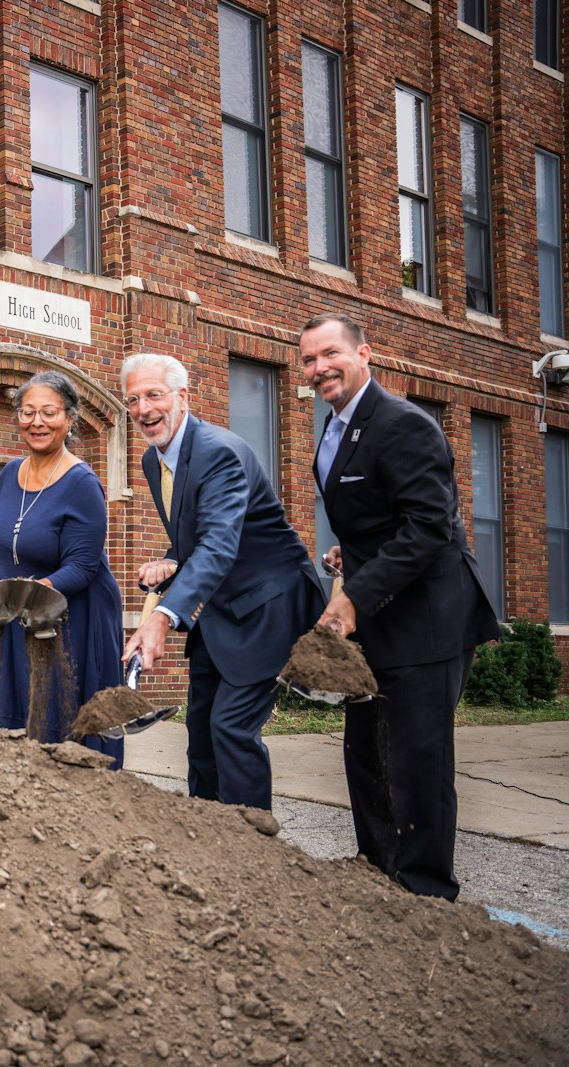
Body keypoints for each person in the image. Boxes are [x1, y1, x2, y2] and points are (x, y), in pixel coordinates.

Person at [300, 313, 499, 900]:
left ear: (366, 354)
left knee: (416, 763)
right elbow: (386, 519)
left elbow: (430, 527)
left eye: (330, 354)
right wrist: (352, 555)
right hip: (380, 622)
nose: (318, 368)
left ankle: (427, 893)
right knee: (365, 755)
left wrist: (356, 593)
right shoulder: (336, 429)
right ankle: (378, 874)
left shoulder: (403, 424)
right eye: (308, 360)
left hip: (428, 621)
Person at [120, 353, 324, 808]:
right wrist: (171, 561)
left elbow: (218, 546)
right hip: (220, 612)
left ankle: (253, 847)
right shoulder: (155, 461)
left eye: (154, 395)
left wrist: (162, 618)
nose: (144, 408)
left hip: (267, 608)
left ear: (183, 397)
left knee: (231, 728)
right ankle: (210, 839)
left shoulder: (219, 451)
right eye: (133, 399)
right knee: (202, 733)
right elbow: (200, 536)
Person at [0, 371, 124, 764]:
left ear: (70, 418)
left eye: (49, 412)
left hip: (73, 618)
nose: (36, 422)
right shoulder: (10, 473)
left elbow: (81, 566)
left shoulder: (82, 482)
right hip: (19, 613)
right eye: (27, 412)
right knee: (21, 716)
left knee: (63, 718)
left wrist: (24, 596)